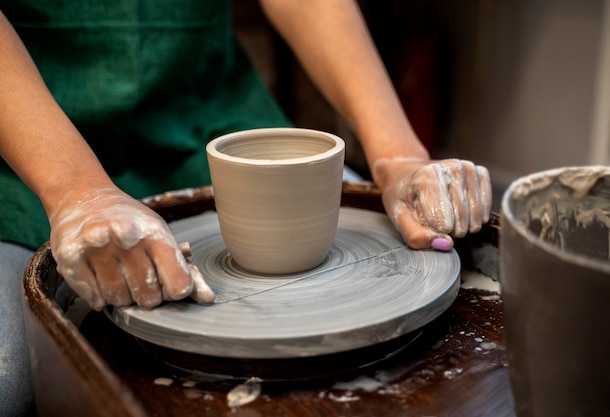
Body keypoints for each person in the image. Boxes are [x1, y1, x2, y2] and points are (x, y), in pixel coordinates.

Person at [0, 0, 492, 415]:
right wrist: (77, 191)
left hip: (208, 120)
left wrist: (397, 155)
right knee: (10, 378)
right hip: (27, 143)